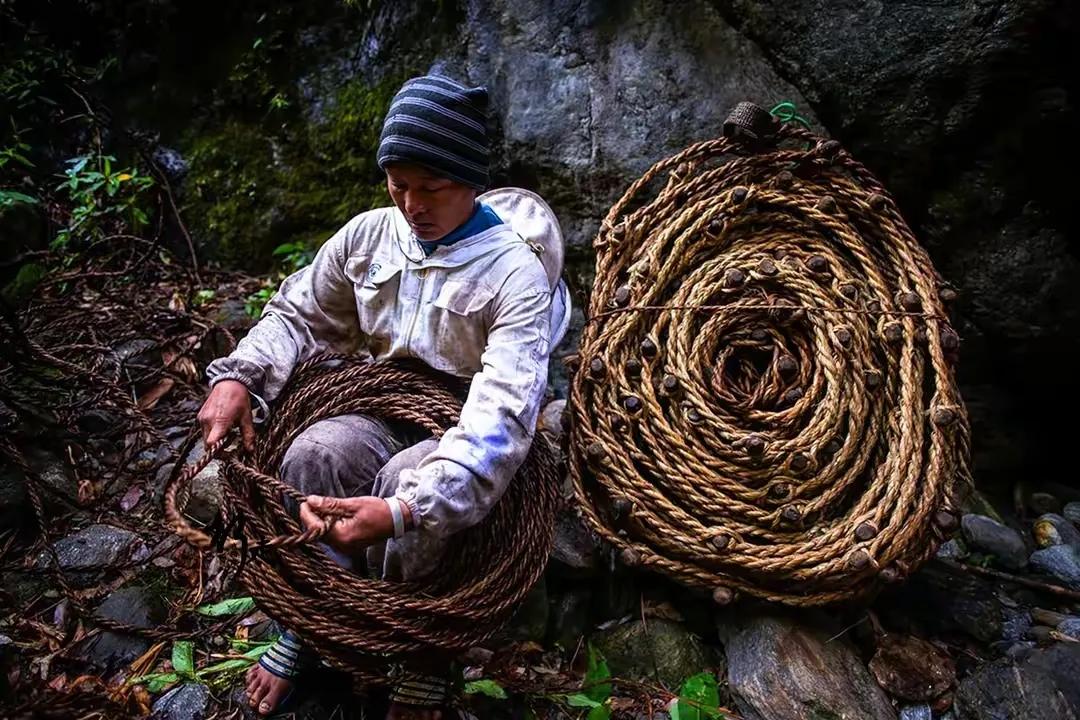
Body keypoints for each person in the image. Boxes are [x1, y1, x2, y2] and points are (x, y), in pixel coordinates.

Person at [197, 74, 569, 719]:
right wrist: (239, 376)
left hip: (459, 425)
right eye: (398, 184)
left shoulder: (515, 274)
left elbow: (502, 416)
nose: (412, 205)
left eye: (433, 188)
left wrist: (403, 511)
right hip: (382, 402)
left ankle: (418, 645)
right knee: (317, 452)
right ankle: (320, 621)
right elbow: (298, 313)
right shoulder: (371, 235)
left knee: (407, 482)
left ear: (471, 181)